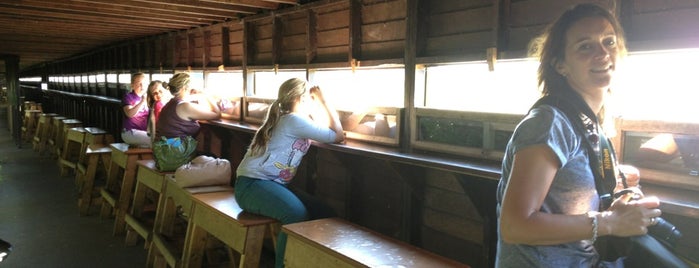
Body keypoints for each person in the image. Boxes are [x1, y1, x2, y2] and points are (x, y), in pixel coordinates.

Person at [496, 4, 662, 267]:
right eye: (585, 46)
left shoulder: (587, 122)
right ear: (561, 65)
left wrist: (612, 181)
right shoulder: (550, 122)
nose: (602, 53)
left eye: (609, 41)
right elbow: (515, 226)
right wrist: (610, 222)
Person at [234, 78, 344, 268]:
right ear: (302, 98)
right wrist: (323, 101)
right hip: (251, 186)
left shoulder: (291, 119)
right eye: (309, 98)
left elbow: (331, 131)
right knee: (296, 214)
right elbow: (339, 135)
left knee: (324, 213)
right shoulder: (293, 120)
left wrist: (318, 106)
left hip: (268, 185)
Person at [155, 73, 222, 140]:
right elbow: (217, 114)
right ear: (184, 88)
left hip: (163, 147)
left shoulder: (170, 103)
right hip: (175, 148)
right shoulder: (184, 106)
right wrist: (206, 95)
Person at [120, 72, 151, 148]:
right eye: (139, 83)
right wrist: (142, 102)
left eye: (144, 83)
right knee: (156, 140)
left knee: (150, 146)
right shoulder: (128, 97)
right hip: (129, 132)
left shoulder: (149, 98)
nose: (142, 86)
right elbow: (129, 114)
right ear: (132, 85)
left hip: (142, 133)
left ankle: (178, 143)